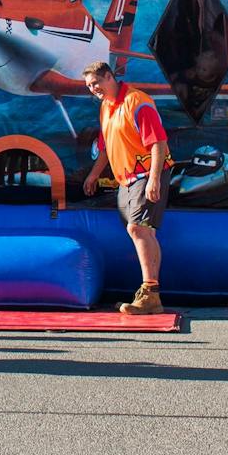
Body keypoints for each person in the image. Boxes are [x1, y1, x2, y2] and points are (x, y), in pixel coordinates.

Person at [82, 60, 171, 315]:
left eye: (96, 83)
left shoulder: (136, 101)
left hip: (146, 172)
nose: (93, 89)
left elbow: (158, 142)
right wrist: (94, 175)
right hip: (127, 180)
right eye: (89, 86)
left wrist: (154, 179)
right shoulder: (106, 107)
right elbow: (107, 146)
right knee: (144, 233)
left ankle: (150, 292)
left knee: (139, 229)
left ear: (110, 76)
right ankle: (150, 295)